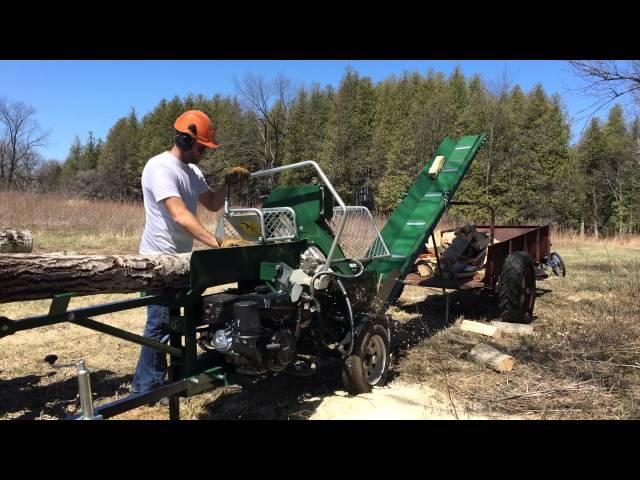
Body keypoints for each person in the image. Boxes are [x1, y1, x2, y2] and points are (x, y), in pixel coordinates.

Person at [130, 109, 249, 398]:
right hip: (157, 259)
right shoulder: (160, 168)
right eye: (201, 147)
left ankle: (163, 380)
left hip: (181, 259)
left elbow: (210, 203)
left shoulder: (192, 172)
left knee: (174, 323)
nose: (203, 153)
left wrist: (228, 186)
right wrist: (216, 243)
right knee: (158, 325)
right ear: (184, 139)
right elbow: (180, 215)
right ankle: (146, 390)